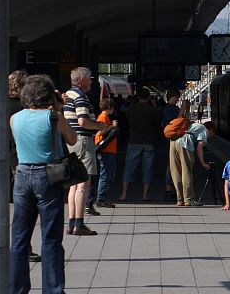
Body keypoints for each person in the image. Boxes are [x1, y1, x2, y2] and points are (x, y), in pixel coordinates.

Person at [9, 74, 81, 294]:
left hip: (21, 176)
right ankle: (52, 293)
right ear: (49, 95)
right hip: (48, 176)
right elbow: (72, 139)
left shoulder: (14, 118)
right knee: (50, 237)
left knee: (20, 237)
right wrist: (58, 107)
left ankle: (16, 292)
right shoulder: (54, 117)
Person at [63, 66, 114, 236]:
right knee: (84, 184)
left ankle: (71, 223)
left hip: (71, 140)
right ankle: (79, 223)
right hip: (83, 140)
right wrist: (99, 126)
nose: (92, 81)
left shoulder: (68, 94)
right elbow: (83, 121)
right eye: (90, 77)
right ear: (82, 79)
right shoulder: (81, 97)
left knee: (73, 184)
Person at [7, 70, 40, 263]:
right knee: (25, 208)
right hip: (21, 157)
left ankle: (19, 247)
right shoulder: (23, 107)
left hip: (4, 155)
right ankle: (24, 248)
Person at [120, 89, 161, 202]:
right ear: (148, 98)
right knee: (148, 168)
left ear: (137, 97)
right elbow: (158, 123)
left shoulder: (131, 109)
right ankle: (145, 195)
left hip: (134, 140)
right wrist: (154, 105)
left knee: (129, 167)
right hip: (149, 142)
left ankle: (124, 194)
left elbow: (127, 120)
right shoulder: (152, 110)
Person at [169, 120, 216, 207]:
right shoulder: (204, 129)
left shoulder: (193, 126)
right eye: (212, 134)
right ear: (211, 130)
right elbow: (199, 148)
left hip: (173, 141)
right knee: (186, 172)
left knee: (176, 172)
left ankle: (180, 200)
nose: (211, 136)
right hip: (184, 142)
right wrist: (203, 163)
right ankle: (188, 199)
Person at [91, 98, 119, 213]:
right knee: (105, 175)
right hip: (106, 150)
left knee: (108, 175)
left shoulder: (104, 117)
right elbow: (100, 132)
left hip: (108, 150)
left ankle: (102, 198)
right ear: (109, 107)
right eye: (112, 107)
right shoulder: (103, 118)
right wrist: (112, 126)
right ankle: (100, 199)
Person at [160, 91, 181, 202]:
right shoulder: (167, 109)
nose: (178, 99)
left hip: (177, 140)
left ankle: (173, 190)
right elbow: (175, 123)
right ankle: (168, 190)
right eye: (177, 97)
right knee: (171, 165)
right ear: (172, 97)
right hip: (170, 140)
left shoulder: (174, 108)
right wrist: (182, 109)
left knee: (175, 165)